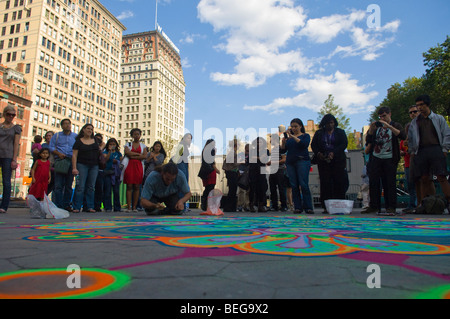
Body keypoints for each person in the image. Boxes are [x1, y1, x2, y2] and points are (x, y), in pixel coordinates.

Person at [408, 95, 450, 211]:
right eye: (418, 105)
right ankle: (429, 203)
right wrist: (412, 151)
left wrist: (445, 149)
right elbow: (410, 138)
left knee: (441, 176)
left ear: (427, 105)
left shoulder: (438, 118)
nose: (419, 108)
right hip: (421, 151)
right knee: (424, 178)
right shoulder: (415, 122)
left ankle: (448, 200)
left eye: (421, 105)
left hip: (436, 148)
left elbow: (446, 133)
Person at [363, 107, 406, 215]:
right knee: (374, 183)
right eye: (380, 116)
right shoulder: (377, 127)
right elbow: (368, 140)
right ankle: (374, 206)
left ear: (389, 114)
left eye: (384, 116)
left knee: (389, 183)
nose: (382, 118)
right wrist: (372, 130)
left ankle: (390, 206)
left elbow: (402, 135)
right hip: (376, 158)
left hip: (390, 158)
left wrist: (389, 126)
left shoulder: (395, 125)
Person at [311, 114, 349, 214]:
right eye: (328, 123)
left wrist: (334, 152)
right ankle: (326, 206)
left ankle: (339, 205)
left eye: (332, 123)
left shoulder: (340, 132)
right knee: (325, 183)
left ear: (334, 123)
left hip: (338, 161)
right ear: (324, 124)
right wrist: (318, 153)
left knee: (339, 182)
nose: (330, 125)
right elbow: (313, 145)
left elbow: (344, 144)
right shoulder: (319, 133)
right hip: (323, 161)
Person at [281, 118, 314, 214]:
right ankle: (297, 207)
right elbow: (283, 150)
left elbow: (304, 145)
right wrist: (283, 143)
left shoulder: (305, 136)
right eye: (292, 127)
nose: (294, 128)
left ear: (300, 126)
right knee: (294, 185)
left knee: (303, 184)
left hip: (302, 161)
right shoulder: (289, 139)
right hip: (290, 162)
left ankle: (308, 207)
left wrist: (292, 136)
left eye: (296, 126)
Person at [49, 119, 78, 210]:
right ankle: (58, 204)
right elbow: (51, 147)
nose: (67, 125)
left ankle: (66, 204)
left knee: (69, 185)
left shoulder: (75, 136)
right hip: (60, 160)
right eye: (65, 124)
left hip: (71, 161)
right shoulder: (56, 136)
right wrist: (58, 154)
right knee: (58, 185)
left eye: (69, 123)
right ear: (61, 126)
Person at [71, 124, 100, 213]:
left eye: (91, 129)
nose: (90, 130)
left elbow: (103, 144)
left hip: (94, 166)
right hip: (81, 165)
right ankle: (76, 207)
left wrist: (100, 148)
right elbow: (74, 155)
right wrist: (74, 168)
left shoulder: (95, 140)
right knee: (80, 186)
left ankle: (89, 206)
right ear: (83, 130)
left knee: (91, 187)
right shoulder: (78, 141)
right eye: (88, 128)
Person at [0, 105, 22, 213]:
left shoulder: (16, 128)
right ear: (4, 114)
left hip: (8, 156)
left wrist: (14, 159)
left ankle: (4, 206)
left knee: (6, 181)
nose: (11, 116)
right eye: (9, 114)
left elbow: (16, 144)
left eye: (13, 115)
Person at [122, 128, 147, 212]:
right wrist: (138, 154)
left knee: (137, 186)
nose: (137, 136)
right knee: (129, 186)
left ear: (140, 135)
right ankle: (129, 207)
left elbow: (144, 156)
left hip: (139, 166)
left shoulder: (143, 146)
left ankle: (134, 207)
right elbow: (127, 153)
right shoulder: (128, 144)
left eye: (138, 134)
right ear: (132, 135)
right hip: (129, 165)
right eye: (135, 134)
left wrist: (133, 155)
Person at [400, 105, 419, 213]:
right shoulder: (404, 141)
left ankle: (421, 203)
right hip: (408, 163)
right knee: (410, 184)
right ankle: (412, 204)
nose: (412, 114)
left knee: (421, 182)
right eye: (410, 112)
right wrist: (403, 152)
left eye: (414, 112)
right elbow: (401, 150)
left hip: (418, 160)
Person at [170, 133, 192, 212]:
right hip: (181, 164)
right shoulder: (181, 145)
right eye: (188, 138)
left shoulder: (185, 146)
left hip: (184, 164)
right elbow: (177, 157)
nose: (189, 140)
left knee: (184, 184)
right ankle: (181, 206)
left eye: (190, 138)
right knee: (182, 184)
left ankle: (183, 206)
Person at [248, 137, 271, 213]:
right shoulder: (252, 151)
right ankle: (252, 205)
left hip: (262, 170)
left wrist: (256, 157)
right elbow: (249, 160)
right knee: (252, 188)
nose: (258, 144)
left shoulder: (266, 151)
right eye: (257, 142)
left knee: (262, 188)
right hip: (253, 170)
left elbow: (265, 159)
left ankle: (261, 205)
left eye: (260, 142)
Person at [199, 139, 220, 211]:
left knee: (207, 188)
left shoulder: (204, 150)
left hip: (204, 172)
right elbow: (212, 162)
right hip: (210, 171)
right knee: (210, 188)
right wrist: (216, 169)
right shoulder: (211, 151)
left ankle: (204, 204)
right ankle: (208, 205)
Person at [103, 138, 123, 212]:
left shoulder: (118, 153)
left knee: (116, 191)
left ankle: (117, 207)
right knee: (107, 190)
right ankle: (108, 207)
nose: (112, 146)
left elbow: (121, 161)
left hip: (116, 174)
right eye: (110, 144)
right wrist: (110, 151)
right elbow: (106, 159)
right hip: (108, 172)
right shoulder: (105, 152)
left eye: (114, 144)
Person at [268, 134, 288, 211]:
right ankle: (274, 205)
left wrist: (273, 162)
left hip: (279, 170)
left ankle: (284, 205)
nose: (270, 141)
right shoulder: (273, 150)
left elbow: (284, 160)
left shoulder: (281, 148)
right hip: (273, 171)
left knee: (281, 188)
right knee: (272, 189)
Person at [222, 138, 240, 212]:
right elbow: (234, 164)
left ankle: (231, 207)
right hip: (232, 173)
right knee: (232, 190)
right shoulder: (233, 153)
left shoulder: (231, 153)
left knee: (232, 190)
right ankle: (230, 207)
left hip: (230, 173)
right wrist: (241, 162)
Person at [93, 133, 106, 212]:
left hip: (100, 169)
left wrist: (101, 146)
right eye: (96, 139)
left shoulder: (103, 147)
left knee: (99, 188)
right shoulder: (91, 145)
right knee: (90, 187)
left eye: (99, 139)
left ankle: (97, 205)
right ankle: (88, 205)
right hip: (91, 167)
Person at [237, 144, 250, 212]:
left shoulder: (251, 156)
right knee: (241, 190)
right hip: (241, 172)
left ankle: (246, 205)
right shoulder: (240, 154)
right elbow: (238, 162)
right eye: (247, 149)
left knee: (248, 190)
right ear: (245, 148)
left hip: (248, 173)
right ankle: (240, 205)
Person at [41, 131, 55, 196]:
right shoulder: (43, 145)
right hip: (43, 167)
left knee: (52, 183)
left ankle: (45, 196)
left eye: (50, 135)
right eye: (47, 136)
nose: (48, 137)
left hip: (52, 167)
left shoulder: (56, 146)